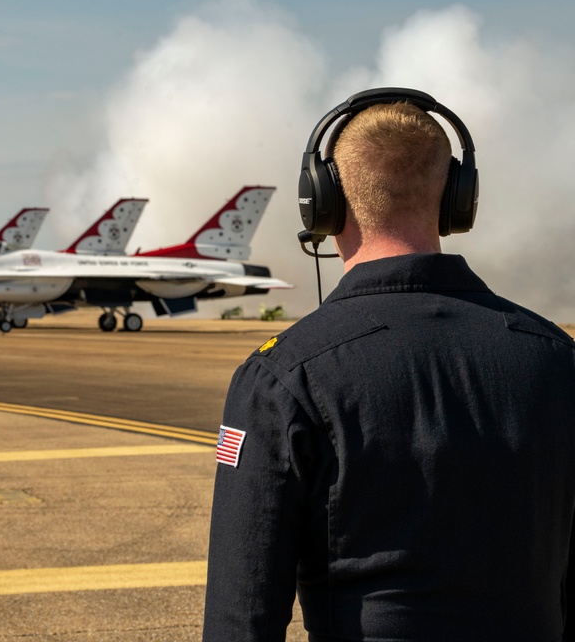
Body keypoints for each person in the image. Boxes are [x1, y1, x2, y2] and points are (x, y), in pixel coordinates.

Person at [203, 91, 575, 641]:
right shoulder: (556, 359)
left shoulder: (284, 377)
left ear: (322, 202)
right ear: (457, 199)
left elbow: (243, 616)